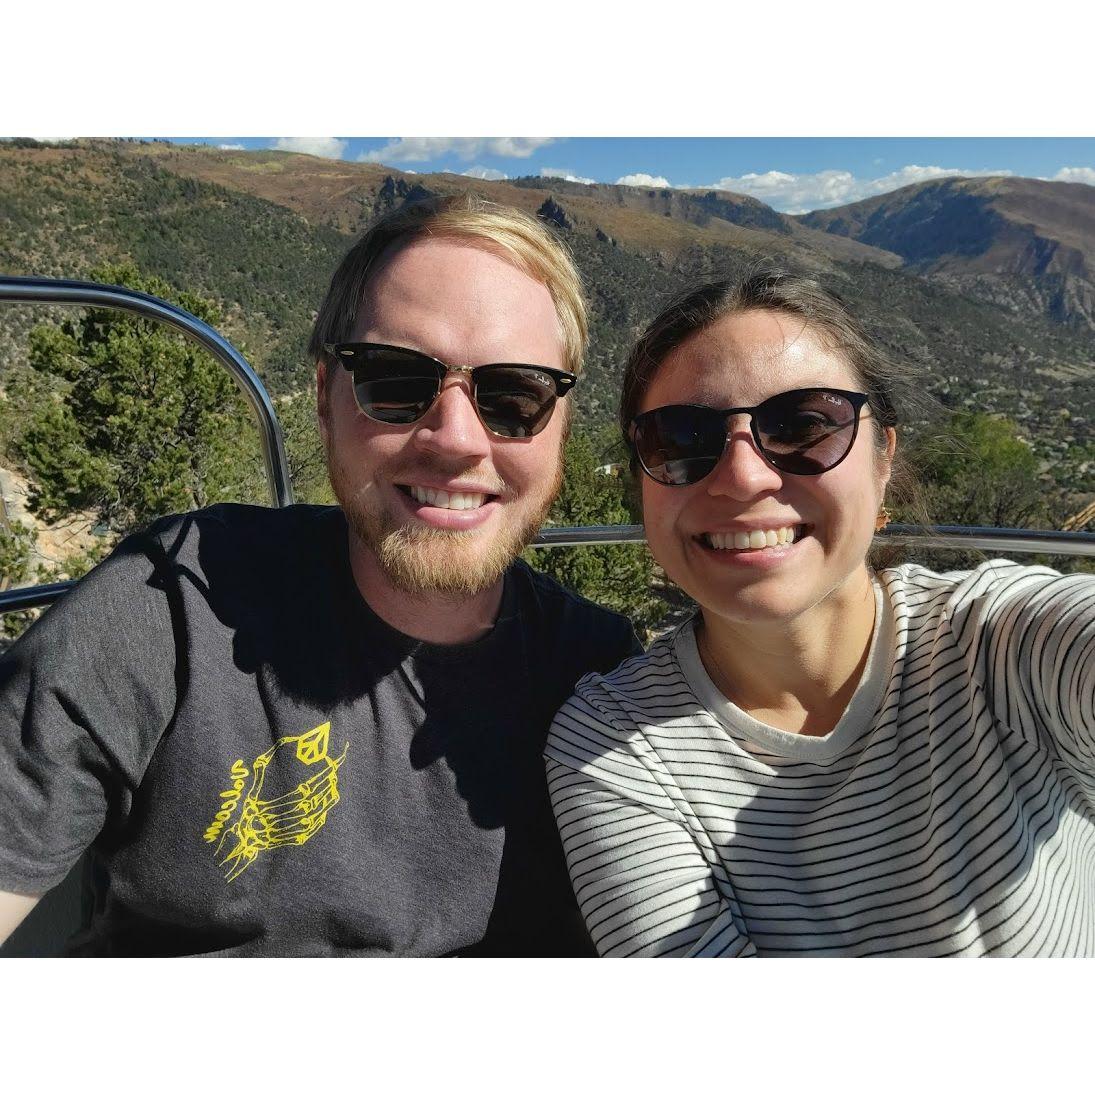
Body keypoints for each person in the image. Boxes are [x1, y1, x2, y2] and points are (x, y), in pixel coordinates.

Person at [0, 194, 640, 956]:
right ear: (324, 399)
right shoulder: (175, 605)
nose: (457, 438)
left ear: (561, 427)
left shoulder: (602, 679)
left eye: (514, 397)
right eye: (397, 381)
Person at [545, 270, 1095, 957]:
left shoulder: (998, 642)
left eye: (804, 423)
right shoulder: (615, 749)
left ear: (882, 457)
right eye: (680, 439)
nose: (744, 476)